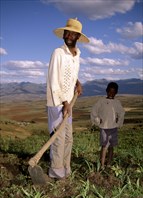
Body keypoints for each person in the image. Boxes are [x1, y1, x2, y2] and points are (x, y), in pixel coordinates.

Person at [46, 18, 89, 179]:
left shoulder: (76, 55)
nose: (69, 35)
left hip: (68, 103)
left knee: (68, 138)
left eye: (73, 33)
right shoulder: (58, 53)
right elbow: (54, 79)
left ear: (78, 37)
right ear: (64, 34)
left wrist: (77, 83)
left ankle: (65, 168)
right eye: (67, 32)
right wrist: (64, 102)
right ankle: (56, 173)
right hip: (57, 103)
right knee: (58, 139)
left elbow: (71, 74)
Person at [90, 82, 125, 169]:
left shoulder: (117, 102)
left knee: (111, 147)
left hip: (113, 127)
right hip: (104, 128)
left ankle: (109, 164)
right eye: (110, 91)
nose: (111, 94)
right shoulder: (101, 101)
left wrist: (118, 122)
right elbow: (94, 111)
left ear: (116, 93)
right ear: (106, 91)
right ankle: (101, 165)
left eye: (113, 92)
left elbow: (122, 112)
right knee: (104, 146)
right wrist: (98, 120)